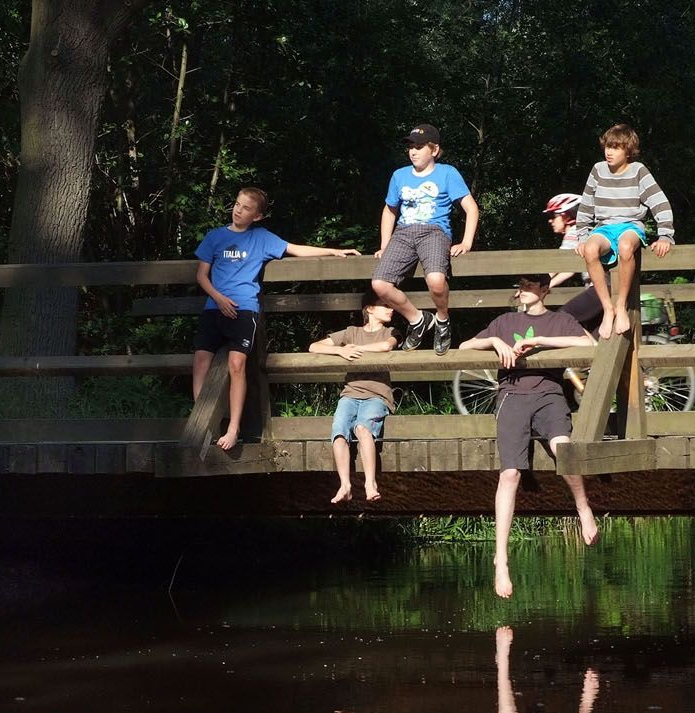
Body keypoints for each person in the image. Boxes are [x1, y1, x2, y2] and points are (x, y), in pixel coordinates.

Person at [458, 274, 602, 598]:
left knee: (564, 451)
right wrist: (496, 343)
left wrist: (541, 342)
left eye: (528, 286)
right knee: (510, 473)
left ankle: (583, 507)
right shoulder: (506, 320)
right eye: (519, 287)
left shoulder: (560, 319)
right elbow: (466, 346)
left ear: (544, 290)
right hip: (511, 394)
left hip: (550, 394)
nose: (521, 292)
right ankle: (501, 560)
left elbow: (590, 345)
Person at [194, 187, 359, 451]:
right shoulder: (215, 237)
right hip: (215, 307)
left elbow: (295, 249)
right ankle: (203, 424)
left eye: (246, 208)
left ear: (257, 216)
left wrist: (333, 251)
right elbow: (201, 275)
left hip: (244, 309)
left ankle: (233, 427)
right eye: (237, 204)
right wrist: (219, 298)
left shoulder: (261, 238)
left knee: (237, 365)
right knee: (201, 360)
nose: (238, 210)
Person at [371, 124, 480, 356]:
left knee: (436, 279)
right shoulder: (399, 176)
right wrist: (384, 244)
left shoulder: (447, 173)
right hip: (403, 232)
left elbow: (470, 207)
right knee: (380, 284)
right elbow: (389, 210)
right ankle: (417, 319)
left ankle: (442, 320)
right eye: (411, 147)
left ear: (434, 149)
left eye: (419, 147)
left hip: (434, 230)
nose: (413, 151)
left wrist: (466, 242)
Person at [574, 124, 675, 339]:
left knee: (626, 246)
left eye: (616, 147)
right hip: (604, 227)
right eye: (608, 146)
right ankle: (607, 308)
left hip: (630, 225)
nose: (609, 152)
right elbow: (586, 205)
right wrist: (582, 235)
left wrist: (665, 235)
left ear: (628, 151)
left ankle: (621, 306)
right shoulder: (597, 170)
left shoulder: (638, 171)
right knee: (590, 250)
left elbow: (660, 203)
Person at [308, 292, 397, 503]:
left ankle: (370, 483)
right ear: (370, 309)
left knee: (363, 428)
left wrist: (356, 350)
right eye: (385, 304)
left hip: (376, 395)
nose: (391, 308)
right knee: (339, 430)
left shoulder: (391, 331)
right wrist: (340, 351)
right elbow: (314, 347)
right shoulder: (351, 332)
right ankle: (345, 485)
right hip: (350, 394)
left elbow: (386, 346)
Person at [544, 192, 604, 331]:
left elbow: (561, 265)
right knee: (595, 334)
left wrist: (540, 286)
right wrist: (545, 285)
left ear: (565, 216)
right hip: (602, 288)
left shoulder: (574, 232)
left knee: (560, 320)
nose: (550, 221)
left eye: (553, 216)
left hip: (598, 289)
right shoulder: (585, 232)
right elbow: (567, 270)